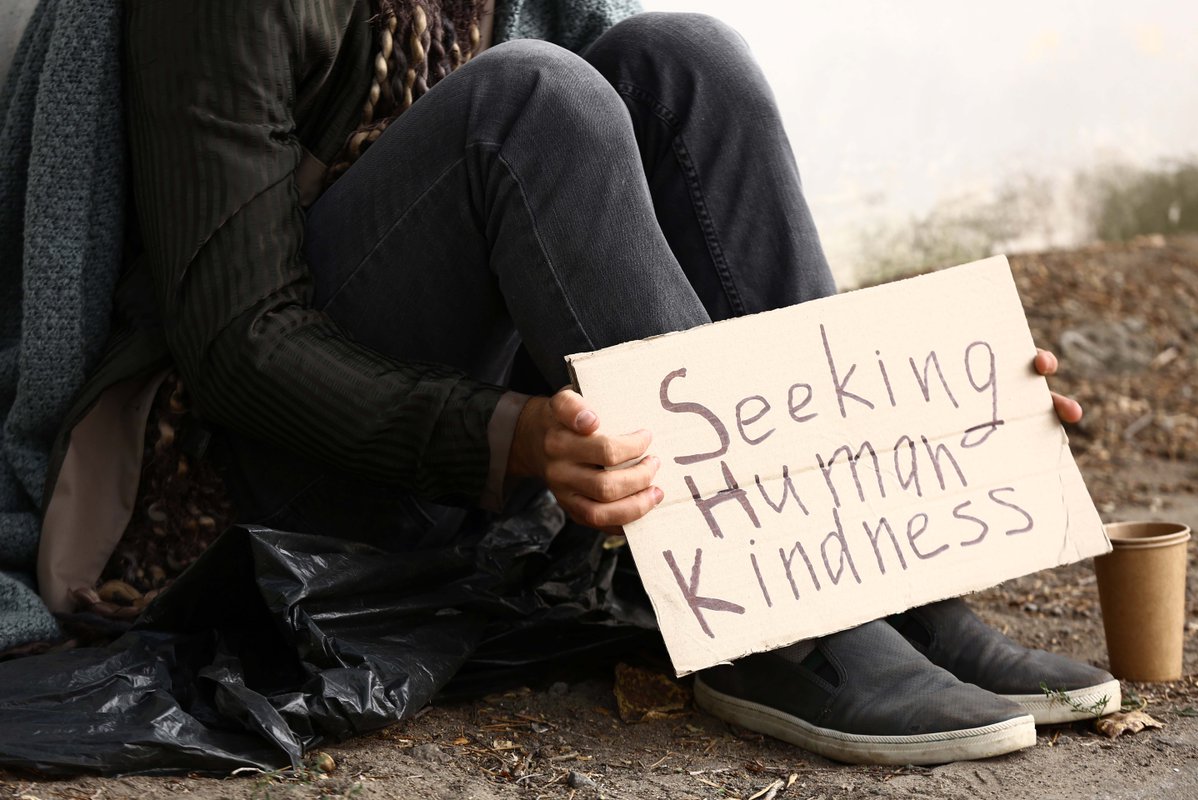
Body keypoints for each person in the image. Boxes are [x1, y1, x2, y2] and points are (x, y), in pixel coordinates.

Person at [38, 0, 1117, 767]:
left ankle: (891, 565)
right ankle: (778, 616)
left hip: (423, 385)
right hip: (239, 479)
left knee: (684, 58)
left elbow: (634, 210)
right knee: (527, 99)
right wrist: (508, 434)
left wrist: (926, 409)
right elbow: (235, 346)